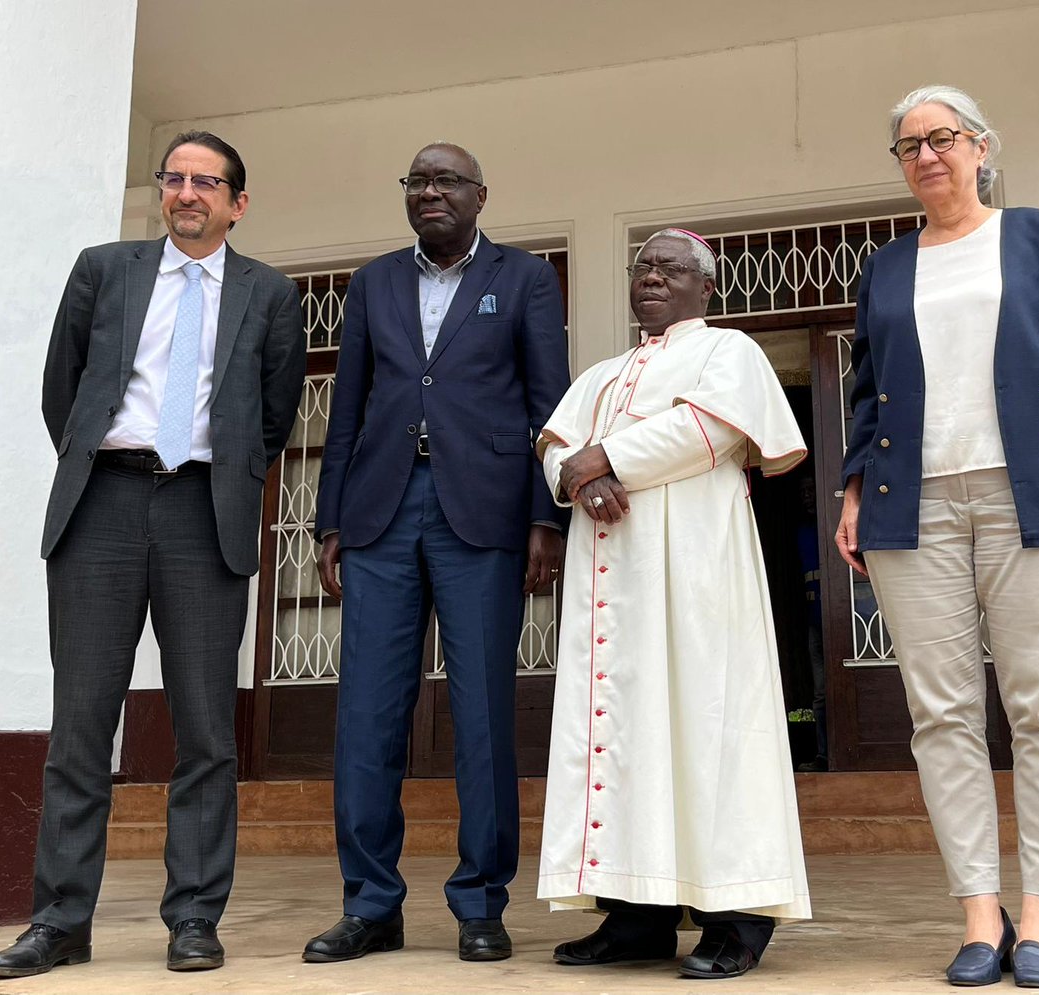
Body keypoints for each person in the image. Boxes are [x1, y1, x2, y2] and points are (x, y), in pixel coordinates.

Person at [0, 131, 307, 979]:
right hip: (105, 504)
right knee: (83, 725)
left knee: (205, 727)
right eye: (176, 178)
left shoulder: (271, 294)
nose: (187, 192)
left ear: (238, 202)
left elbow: (273, 417)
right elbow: (66, 391)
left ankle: (195, 916)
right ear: (162, 192)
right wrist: (111, 463)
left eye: (208, 182)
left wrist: (215, 476)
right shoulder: (105, 269)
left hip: (206, 510)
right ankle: (59, 920)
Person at [835, 85, 1039, 989]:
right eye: (909, 145)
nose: (926, 155)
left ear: (981, 147)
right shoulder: (884, 268)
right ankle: (978, 911)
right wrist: (853, 488)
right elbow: (867, 386)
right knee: (943, 715)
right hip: (909, 502)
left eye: (943, 138)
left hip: (1031, 492)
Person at [305, 143, 571, 964]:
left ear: (481, 195)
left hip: (482, 514)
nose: (430, 192)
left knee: (484, 711)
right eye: (417, 181)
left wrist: (544, 519)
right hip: (381, 512)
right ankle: (371, 903)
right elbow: (345, 407)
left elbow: (546, 403)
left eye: (446, 180)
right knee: (367, 716)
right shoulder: (372, 282)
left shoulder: (523, 277)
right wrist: (329, 520)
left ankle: (480, 901)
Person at [537, 228, 812, 980]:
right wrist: (581, 474)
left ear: (706, 286)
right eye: (643, 266)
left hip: (694, 566)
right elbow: (555, 441)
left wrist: (603, 457)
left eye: (672, 267)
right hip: (612, 570)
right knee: (625, 728)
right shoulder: (604, 371)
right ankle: (638, 913)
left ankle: (736, 915)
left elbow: (712, 428)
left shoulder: (730, 352)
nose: (653, 276)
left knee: (705, 721)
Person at [795, 473, 828, 772]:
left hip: (844, 620)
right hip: (814, 621)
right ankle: (824, 756)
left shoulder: (831, 527)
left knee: (841, 687)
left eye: (811, 489)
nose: (807, 496)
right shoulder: (802, 533)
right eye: (803, 491)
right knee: (821, 693)